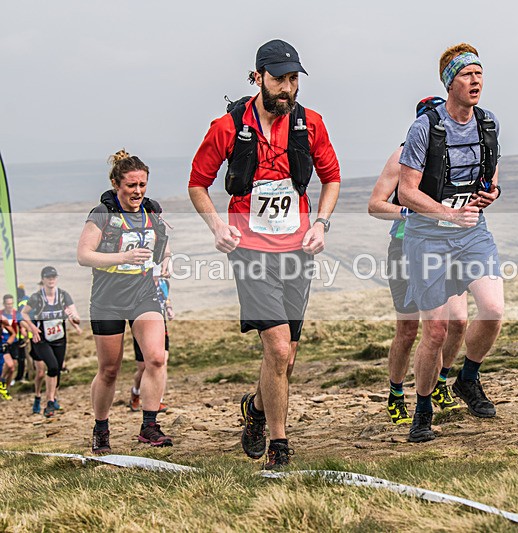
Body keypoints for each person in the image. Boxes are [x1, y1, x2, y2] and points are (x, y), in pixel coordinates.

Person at [189, 39, 340, 469]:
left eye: (294, 79)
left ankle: (255, 410)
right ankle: (279, 445)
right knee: (276, 349)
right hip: (251, 251)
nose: (288, 88)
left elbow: (332, 179)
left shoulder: (311, 124)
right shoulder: (227, 127)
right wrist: (218, 226)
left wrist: (320, 224)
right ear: (258, 77)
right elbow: (197, 183)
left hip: (298, 250)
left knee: (288, 354)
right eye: (280, 79)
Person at [397, 43, 504, 442]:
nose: (475, 80)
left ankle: (468, 378)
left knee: (492, 310)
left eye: (479, 73)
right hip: (427, 237)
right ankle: (422, 409)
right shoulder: (426, 128)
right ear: (449, 83)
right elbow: (407, 193)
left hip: (472, 232)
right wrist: (447, 213)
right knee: (437, 331)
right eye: (466, 74)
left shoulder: (488, 123)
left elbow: (491, 176)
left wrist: (491, 193)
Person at [368, 96, 467, 425]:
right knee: (409, 329)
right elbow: (375, 204)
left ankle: (439, 384)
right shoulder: (401, 156)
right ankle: (396, 393)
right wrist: (411, 212)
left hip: (447, 248)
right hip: (405, 247)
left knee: (456, 324)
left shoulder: (457, 156)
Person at [77, 149, 172, 453]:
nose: (138, 191)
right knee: (109, 369)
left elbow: (160, 246)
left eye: (142, 185)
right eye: (131, 185)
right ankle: (101, 427)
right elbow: (84, 255)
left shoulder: (151, 210)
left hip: (143, 294)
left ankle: (149, 426)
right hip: (108, 299)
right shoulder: (102, 213)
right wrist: (124, 257)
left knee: (156, 358)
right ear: (117, 184)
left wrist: (166, 260)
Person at [21, 267, 81, 417]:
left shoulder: (63, 296)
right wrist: (33, 328)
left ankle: (52, 399)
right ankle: (48, 403)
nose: (51, 279)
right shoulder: (36, 297)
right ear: (43, 279)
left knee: (57, 370)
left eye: (53, 276)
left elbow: (75, 316)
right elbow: (23, 313)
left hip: (59, 338)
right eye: (48, 277)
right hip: (41, 339)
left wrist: (74, 318)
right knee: (52, 367)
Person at [129, 266, 174, 413]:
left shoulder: (163, 283)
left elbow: (165, 298)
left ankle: (158, 400)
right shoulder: (138, 283)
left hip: (160, 324)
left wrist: (169, 310)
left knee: (162, 362)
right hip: (142, 326)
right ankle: (136, 392)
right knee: (143, 368)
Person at [0, 294, 18, 400]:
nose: (9, 306)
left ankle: (4, 388)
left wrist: (7, 343)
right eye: (8, 304)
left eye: (11, 303)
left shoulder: (4, 319)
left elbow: (13, 333)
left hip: (7, 343)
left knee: (11, 366)